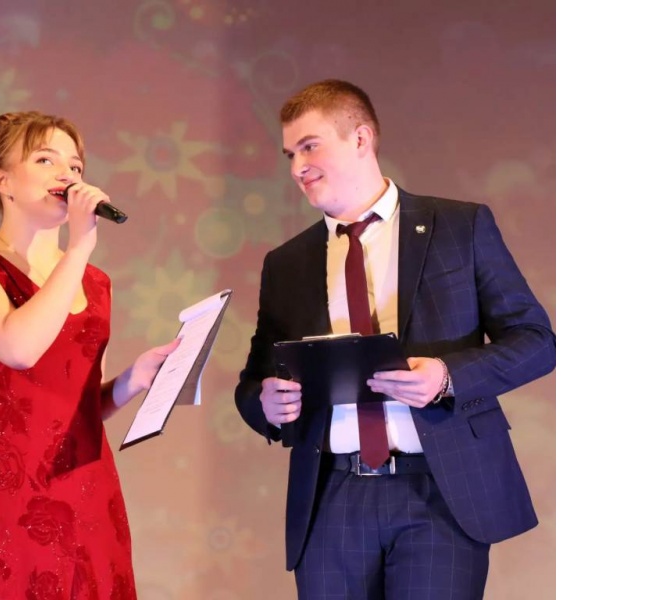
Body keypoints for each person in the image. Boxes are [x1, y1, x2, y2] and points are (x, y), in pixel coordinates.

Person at [234, 79, 556, 599]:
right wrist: (265, 404)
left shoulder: (459, 226)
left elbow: (537, 341)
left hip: (441, 491)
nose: (297, 167)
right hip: (331, 496)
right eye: (290, 154)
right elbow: (254, 382)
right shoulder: (286, 263)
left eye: (310, 146)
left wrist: (447, 376)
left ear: (361, 139)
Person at [0, 110, 179, 599]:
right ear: (3, 181)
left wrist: (133, 380)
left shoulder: (96, 283)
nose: (68, 175)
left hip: (90, 493)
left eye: (75, 166)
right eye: (46, 160)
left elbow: (81, 407)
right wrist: (79, 247)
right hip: (9, 496)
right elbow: (18, 348)